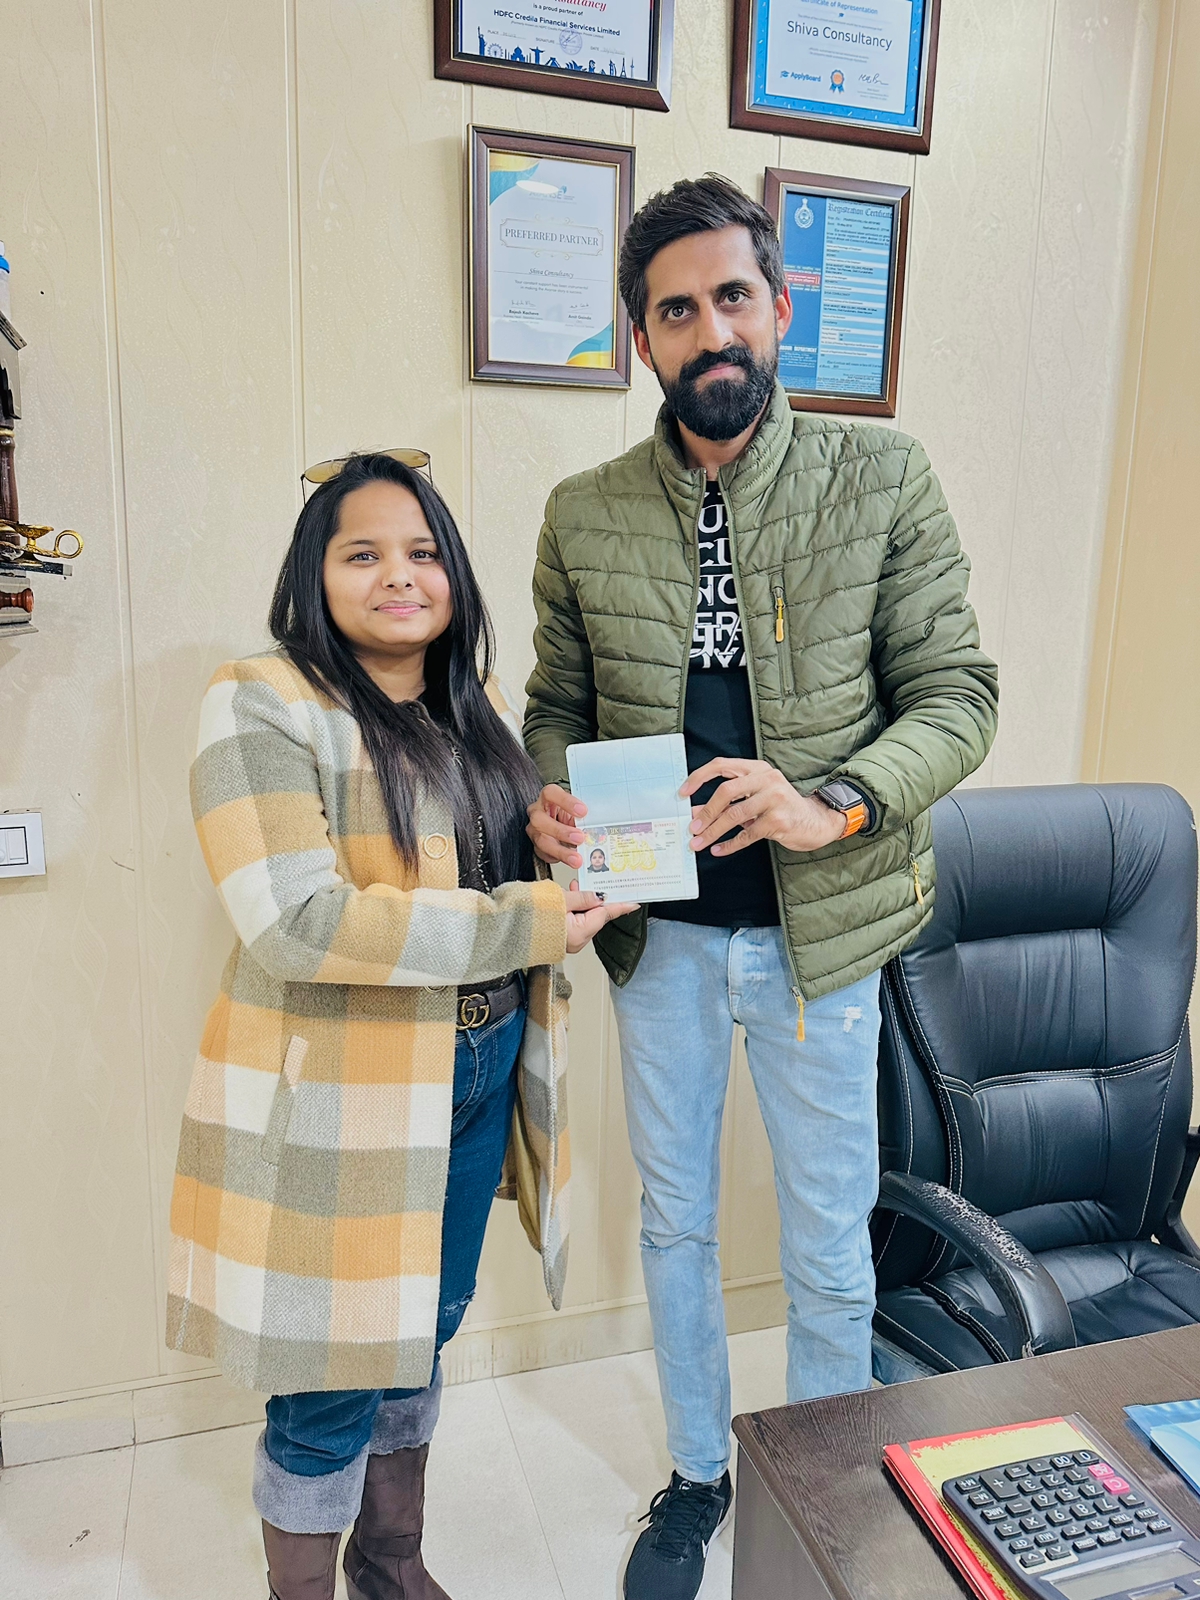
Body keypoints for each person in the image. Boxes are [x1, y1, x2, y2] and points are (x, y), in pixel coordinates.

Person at [524, 175, 999, 1600]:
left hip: (820, 939)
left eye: (733, 295)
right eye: (676, 310)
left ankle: (827, 1484)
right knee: (673, 1224)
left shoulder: (883, 478)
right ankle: (698, 1473)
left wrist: (829, 800)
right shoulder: (583, 511)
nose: (710, 328)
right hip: (658, 938)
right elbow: (555, 704)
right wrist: (547, 791)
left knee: (827, 1238)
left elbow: (958, 695)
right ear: (642, 338)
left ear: (780, 307)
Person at [166, 452, 635, 1600]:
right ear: (314, 573)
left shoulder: (473, 709)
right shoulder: (260, 699)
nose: (399, 575)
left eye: (422, 551)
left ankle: (390, 1563)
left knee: (422, 1331)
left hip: (479, 1066)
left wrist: (551, 831)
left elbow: (470, 866)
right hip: (344, 1095)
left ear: (453, 574)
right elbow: (297, 920)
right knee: (330, 1376)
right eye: (363, 552)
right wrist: (531, 916)